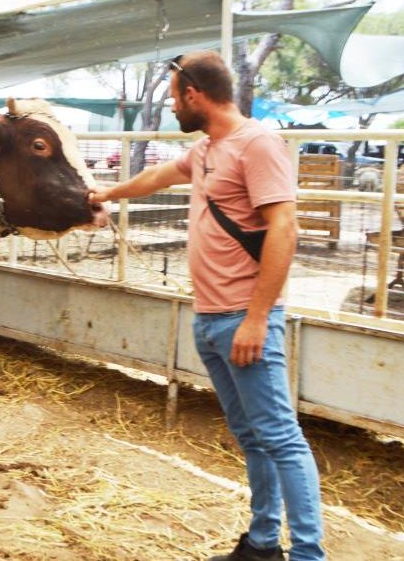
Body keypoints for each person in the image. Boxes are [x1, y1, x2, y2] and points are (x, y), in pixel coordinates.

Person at [94, 51, 325, 561]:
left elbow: (284, 228)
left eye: (175, 97)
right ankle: (263, 544)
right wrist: (104, 193)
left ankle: (309, 554)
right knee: (252, 437)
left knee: (282, 439)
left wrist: (259, 318)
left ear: (194, 94)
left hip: (245, 319)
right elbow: (157, 179)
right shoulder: (205, 150)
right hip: (211, 318)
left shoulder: (257, 143)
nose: (174, 106)